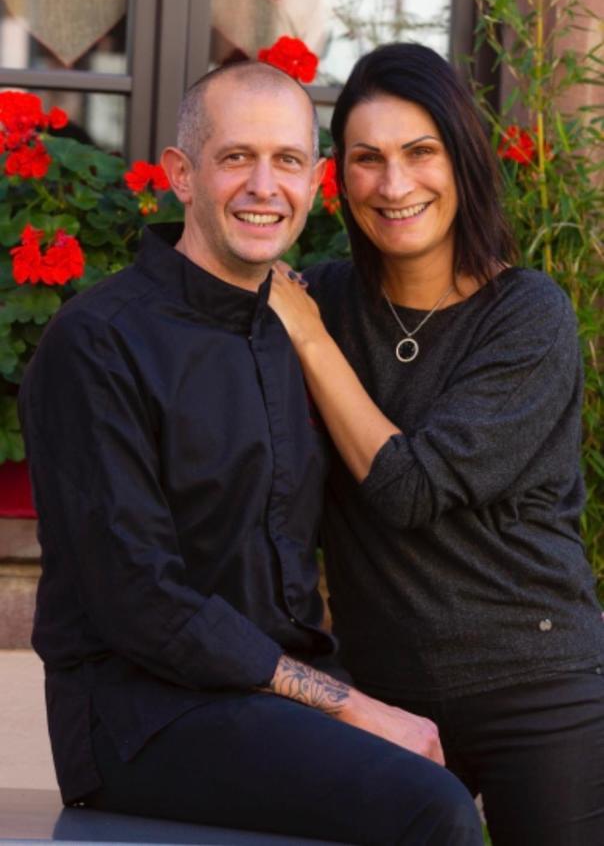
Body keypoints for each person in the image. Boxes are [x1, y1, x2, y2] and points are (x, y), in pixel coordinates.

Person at [18, 59, 484, 846]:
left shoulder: (290, 330)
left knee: (464, 760)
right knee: (428, 807)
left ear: (316, 181)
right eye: (237, 158)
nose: (265, 186)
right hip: (143, 715)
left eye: (288, 161)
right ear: (181, 175)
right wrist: (349, 706)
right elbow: (142, 602)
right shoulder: (96, 344)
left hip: (272, 701)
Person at [268, 43, 604, 846]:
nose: (394, 185)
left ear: (463, 160)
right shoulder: (323, 294)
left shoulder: (528, 315)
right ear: (337, 179)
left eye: (421, 153)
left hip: (539, 685)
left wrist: (312, 342)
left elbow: (410, 488)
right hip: (383, 693)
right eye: (366, 159)